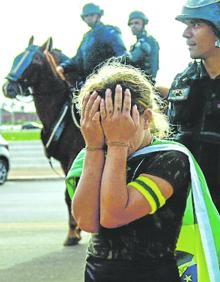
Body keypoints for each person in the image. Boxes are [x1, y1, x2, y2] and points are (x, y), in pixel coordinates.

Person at [71, 61, 193, 282]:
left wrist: (118, 144)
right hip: (98, 274)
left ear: (146, 119)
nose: (109, 132)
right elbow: (87, 222)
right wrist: (94, 148)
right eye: (102, 123)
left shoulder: (170, 158)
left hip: (151, 274)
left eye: (119, 121)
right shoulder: (94, 153)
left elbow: (114, 215)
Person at [167, 0, 220, 213]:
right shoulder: (184, 81)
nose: (186, 34)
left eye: (195, 25)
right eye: (186, 25)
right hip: (192, 206)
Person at [56, 3, 127, 84]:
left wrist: (110, 76)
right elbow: (77, 59)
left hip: (107, 82)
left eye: (92, 15)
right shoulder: (86, 37)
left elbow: (123, 56)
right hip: (88, 82)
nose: (89, 18)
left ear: (99, 16)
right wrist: (62, 67)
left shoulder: (109, 32)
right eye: (86, 16)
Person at [126, 11, 160, 83]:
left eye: (136, 23)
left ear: (143, 24)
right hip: (136, 80)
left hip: (143, 82)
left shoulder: (147, 41)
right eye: (131, 24)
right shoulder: (137, 44)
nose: (133, 26)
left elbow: (132, 59)